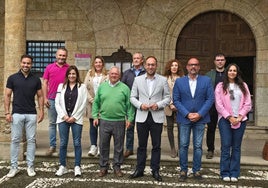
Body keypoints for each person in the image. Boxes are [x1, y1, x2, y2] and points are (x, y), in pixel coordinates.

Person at [129, 56, 170, 182]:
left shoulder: (163, 80)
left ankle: (155, 170)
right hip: (142, 116)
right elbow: (132, 97)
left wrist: (158, 105)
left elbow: (168, 97)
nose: (150, 67)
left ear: (156, 66)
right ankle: (139, 169)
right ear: (145, 65)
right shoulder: (138, 80)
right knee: (141, 145)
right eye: (148, 64)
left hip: (156, 116)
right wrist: (140, 105)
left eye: (153, 65)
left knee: (156, 145)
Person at [173, 57, 214, 181]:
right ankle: (183, 170)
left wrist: (200, 114)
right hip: (185, 119)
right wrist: (187, 114)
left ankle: (196, 170)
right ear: (187, 67)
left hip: (200, 119)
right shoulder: (179, 82)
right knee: (183, 145)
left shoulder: (206, 81)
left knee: (197, 146)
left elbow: (210, 99)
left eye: (196, 65)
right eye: (191, 65)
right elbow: (176, 99)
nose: (193, 67)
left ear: (199, 67)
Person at [4, 54, 44, 177]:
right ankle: (13, 167)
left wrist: (41, 111)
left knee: (31, 140)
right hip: (17, 113)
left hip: (31, 114)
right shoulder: (12, 78)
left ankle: (30, 167)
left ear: (31, 65)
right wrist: (7, 112)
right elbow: (7, 95)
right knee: (15, 140)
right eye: (24, 63)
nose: (26, 65)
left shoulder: (36, 79)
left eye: (28, 63)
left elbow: (40, 95)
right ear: (20, 63)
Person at [92, 66, 135, 178]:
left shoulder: (125, 88)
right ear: (109, 75)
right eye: (112, 73)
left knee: (119, 146)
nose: (114, 75)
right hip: (104, 121)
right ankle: (103, 167)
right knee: (103, 145)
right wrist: (95, 116)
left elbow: (129, 106)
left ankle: (117, 167)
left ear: (119, 75)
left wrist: (129, 118)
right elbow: (96, 102)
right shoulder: (102, 87)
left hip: (119, 121)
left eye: (116, 74)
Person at [215, 63, 251, 182]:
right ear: (227, 72)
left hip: (240, 120)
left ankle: (234, 172)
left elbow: (248, 104)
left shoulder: (243, 86)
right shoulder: (220, 86)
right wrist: (229, 117)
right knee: (226, 146)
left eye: (234, 70)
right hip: (225, 120)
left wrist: (240, 117)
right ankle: (224, 172)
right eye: (230, 70)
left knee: (236, 147)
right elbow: (218, 105)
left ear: (237, 72)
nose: (232, 72)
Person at [54, 65, 87, 177]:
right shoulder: (60, 86)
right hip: (63, 119)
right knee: (63, 143)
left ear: (77, 75)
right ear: (67, 75)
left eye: (74, 74)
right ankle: (62, 166)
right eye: (70, 74)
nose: (71, 76)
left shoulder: (82, 87)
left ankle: (77, 166)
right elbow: (57, 103)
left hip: (76, 119)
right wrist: (64, 116)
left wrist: (74, 117)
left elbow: (83, 104)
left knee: (77, 143)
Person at [43, 47, 69, 156]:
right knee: (52, 123)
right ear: (56, 55)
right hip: (52, 99)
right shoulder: (49, 67)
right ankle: (52, 146)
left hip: (66, 100)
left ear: (66, 56)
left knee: (65, 123)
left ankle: (63, 146)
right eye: (60, 55)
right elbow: (45, 83)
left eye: (64, 55)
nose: (62, 57)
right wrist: (45, 98)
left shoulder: (69, 68)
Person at [121, 52, 146, 158]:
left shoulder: (146, 73)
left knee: (142, 128)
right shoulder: (127, 73)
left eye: (138, 58)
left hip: (142, 104)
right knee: (129, 127)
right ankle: (129, 148)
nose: (136, 60)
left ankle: (142, 150)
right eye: (134, 58)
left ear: (142, 60)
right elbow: (122, 88)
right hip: (130, 104)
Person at [84, 56, 108, 156]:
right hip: (92, 103)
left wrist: (101, 101)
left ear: (102, 64)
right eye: (96, 62)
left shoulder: (107, 75)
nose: (98, 64)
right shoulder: (89, 73)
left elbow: (108, 88)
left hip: (103, 104)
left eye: (100, 62)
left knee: (102, 126)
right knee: (93, 126)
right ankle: (93, 146)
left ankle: (101, 147)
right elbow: (84, 87)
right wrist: (92, 100)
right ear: (94, 64)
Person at [205, 53, 226, 159]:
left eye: (222, 60)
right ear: (214, 62)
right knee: (211, 128)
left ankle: (225, 150)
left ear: (225, 61)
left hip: (226, 107)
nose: (220, 62)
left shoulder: (230, 73)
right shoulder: (209, 75)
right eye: (218, 60)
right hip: (212, 106)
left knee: (225, 129)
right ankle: (210, 150)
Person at [163, 59, 184, 158]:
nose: (174, 67)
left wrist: (177, 104)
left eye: (176, 65)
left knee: (181, 128)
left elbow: (184, 93)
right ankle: (172, 148)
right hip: (168, 106)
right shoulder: (164, 79)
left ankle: (181, 148)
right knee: (170, 128)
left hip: (180, 107)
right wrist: (171, 103)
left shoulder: (183, 78)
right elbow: (164, 93)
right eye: (172, 65)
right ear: (169, 67)